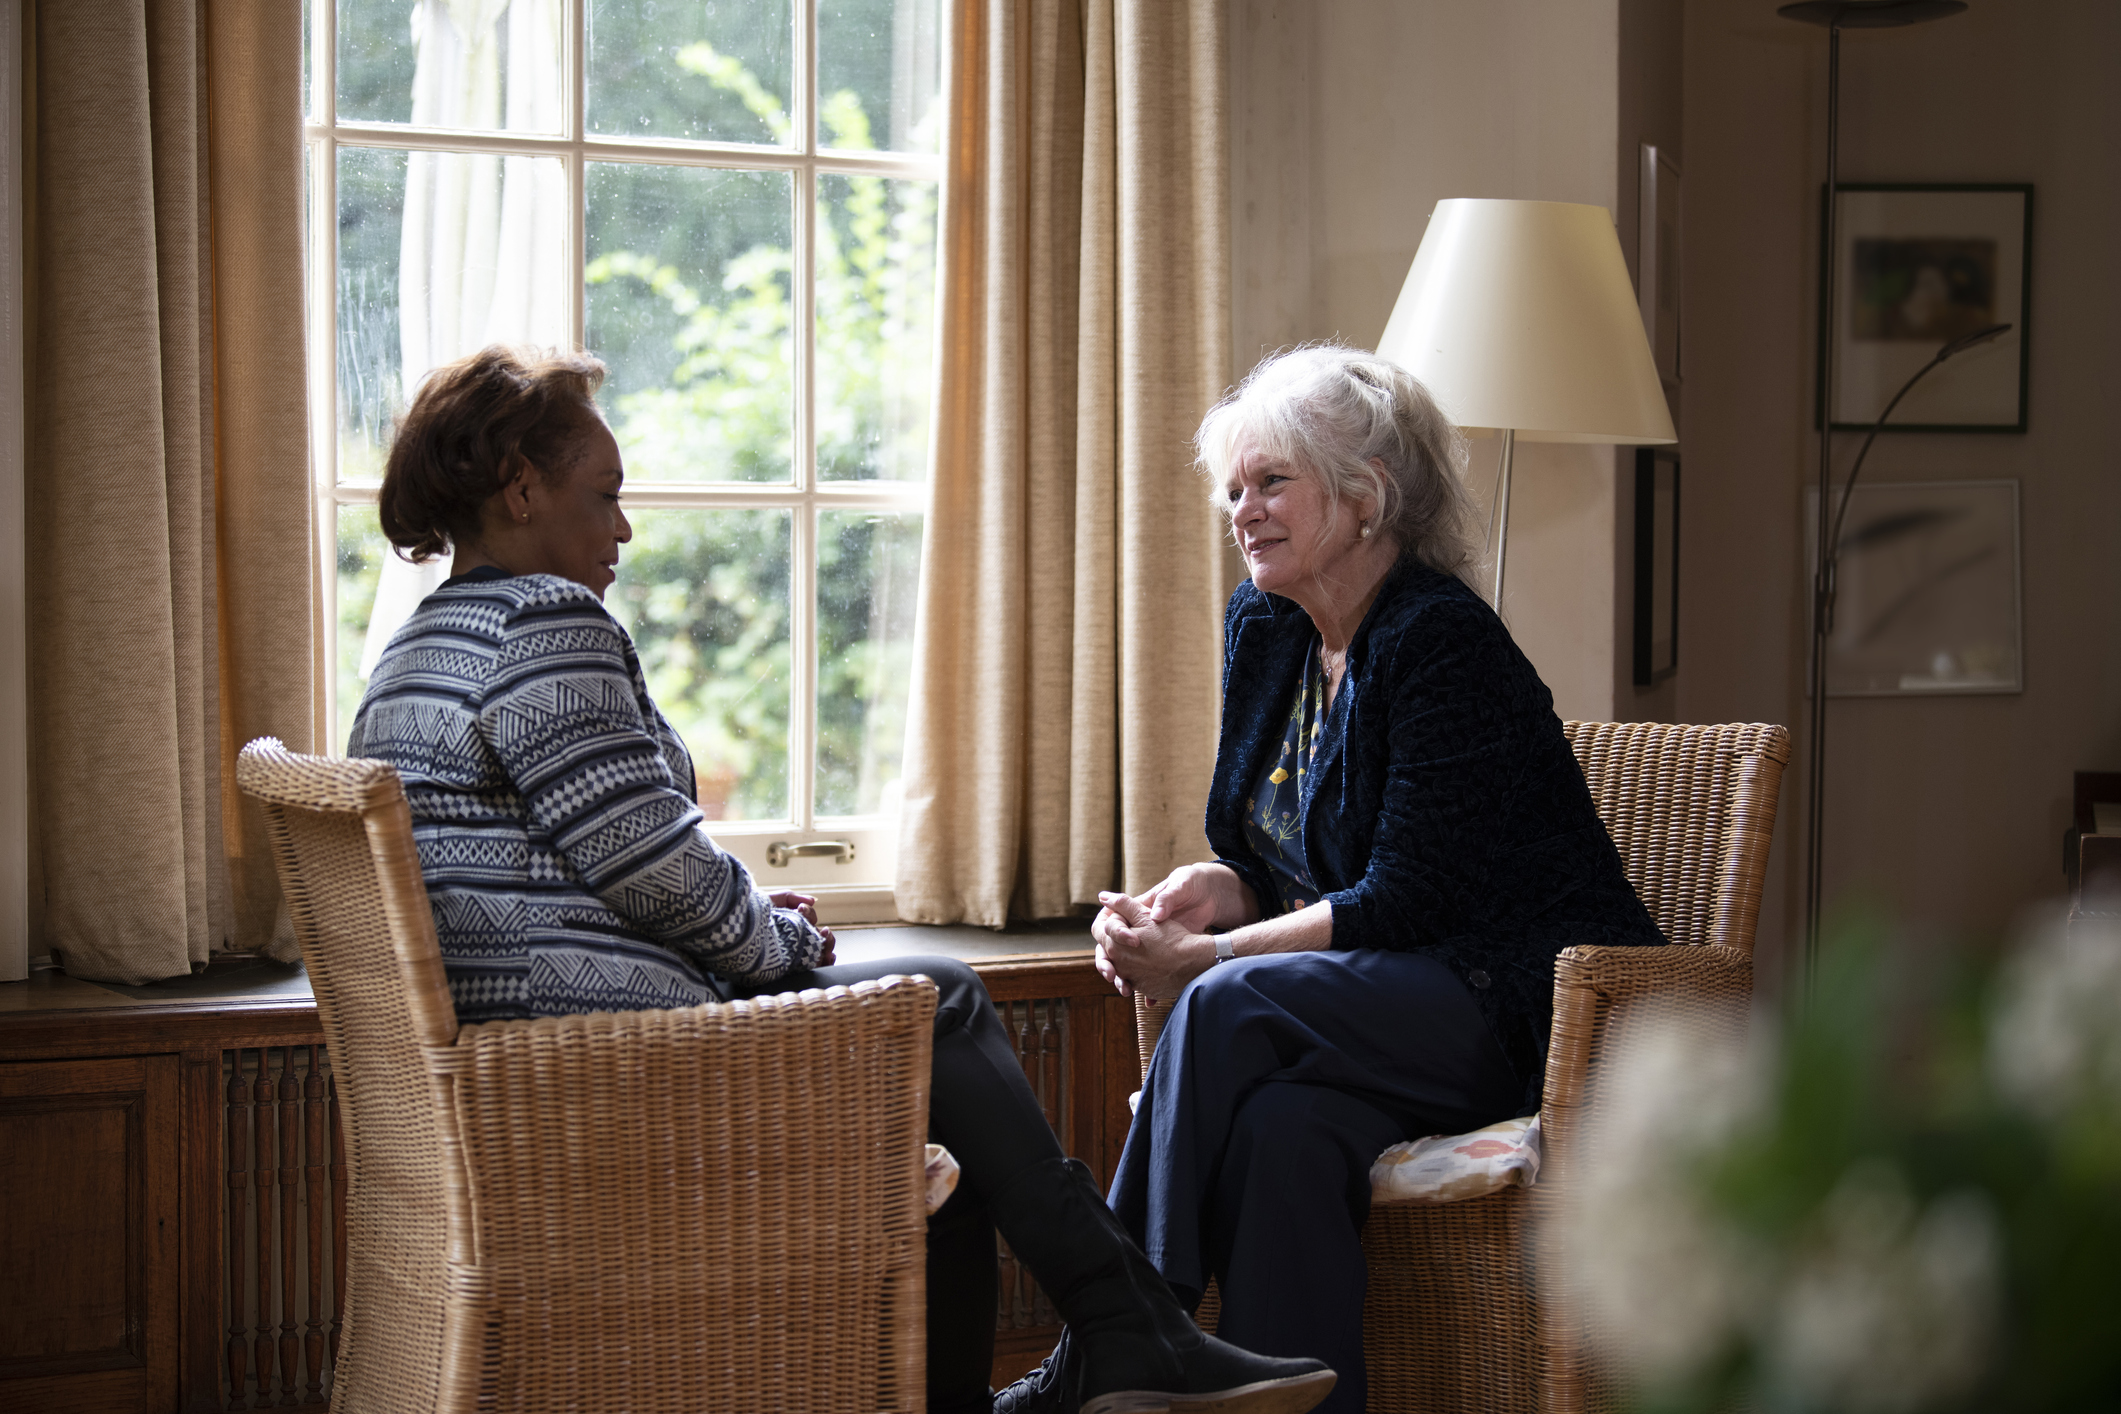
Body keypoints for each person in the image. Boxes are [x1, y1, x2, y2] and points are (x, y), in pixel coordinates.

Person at [347, 345, 1337, 1414]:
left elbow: (592, 857)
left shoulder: (415, 650)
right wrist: (780, 943)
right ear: (521, 485)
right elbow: (654, 873)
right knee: (939, 999)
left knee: (939, 1134)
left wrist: (754, 919)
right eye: (606, 496)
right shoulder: (542, 622)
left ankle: (1117, 1335)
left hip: (510, 1068)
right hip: (599, 1070)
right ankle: (1130, 1328)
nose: (623, 529)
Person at [996, 346, 1666, 1414]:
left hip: (1508, 1006)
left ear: (1364, 500)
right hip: (1370, 1010)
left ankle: (1123, 1332)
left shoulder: (1442, 639)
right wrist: (1215, 890)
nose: (1240, 509)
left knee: (1222, 1002)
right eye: (1233, 486)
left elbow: (1400, 900)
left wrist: (1205, 955)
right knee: (1283, 1138)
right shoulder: (1266, 628)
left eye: (1271, 482)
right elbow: (1287, 861)